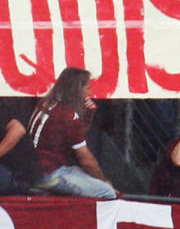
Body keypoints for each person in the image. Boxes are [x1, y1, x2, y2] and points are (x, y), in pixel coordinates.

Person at [27, 67, 116, 199]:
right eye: (88, 88)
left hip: (35, 169)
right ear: (77, 90)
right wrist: (104, 181)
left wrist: (89, 115)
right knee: (107, 192)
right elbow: (86, 159)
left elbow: (79, 133)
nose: (90, 92)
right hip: (52, 173)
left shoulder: (45, 102)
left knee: (89, 176)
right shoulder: (67, 115)